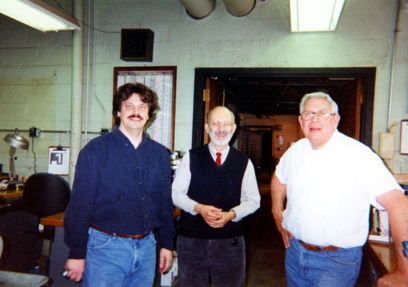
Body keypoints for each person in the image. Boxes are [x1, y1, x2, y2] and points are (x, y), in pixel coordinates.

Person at [271, 91, 408, 287]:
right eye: (308, 114)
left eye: (322, 113)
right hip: (295, 253)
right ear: (301, 121)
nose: (315, 119)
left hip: (336, 262)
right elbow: (278, 178)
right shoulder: (295, 151)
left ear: (335, 120)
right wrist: (277, 211)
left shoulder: (359, 155)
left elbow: (399, 203)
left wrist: (405, 271)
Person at [63, 83, 175, 286]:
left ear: (149, 115)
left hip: (147, 249)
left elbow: (164, 204)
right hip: (105, 250)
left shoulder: (159, 154)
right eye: (129, 106)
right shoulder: (96, 151)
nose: (136, 112)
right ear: (118, 112)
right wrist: (76, 253)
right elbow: (80, 206)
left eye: (142, 107)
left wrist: (167, 244)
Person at [172, 106, 261, 287]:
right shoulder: (191, 157)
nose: (221, 129)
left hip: (230, 243)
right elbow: (175, 194)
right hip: (192, 242)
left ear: (233, 128)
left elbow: (253, 200)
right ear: (207, 127)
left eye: (226, 124)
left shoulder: (243, 162)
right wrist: (199, 208)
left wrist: (231, 214)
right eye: (215, 123)